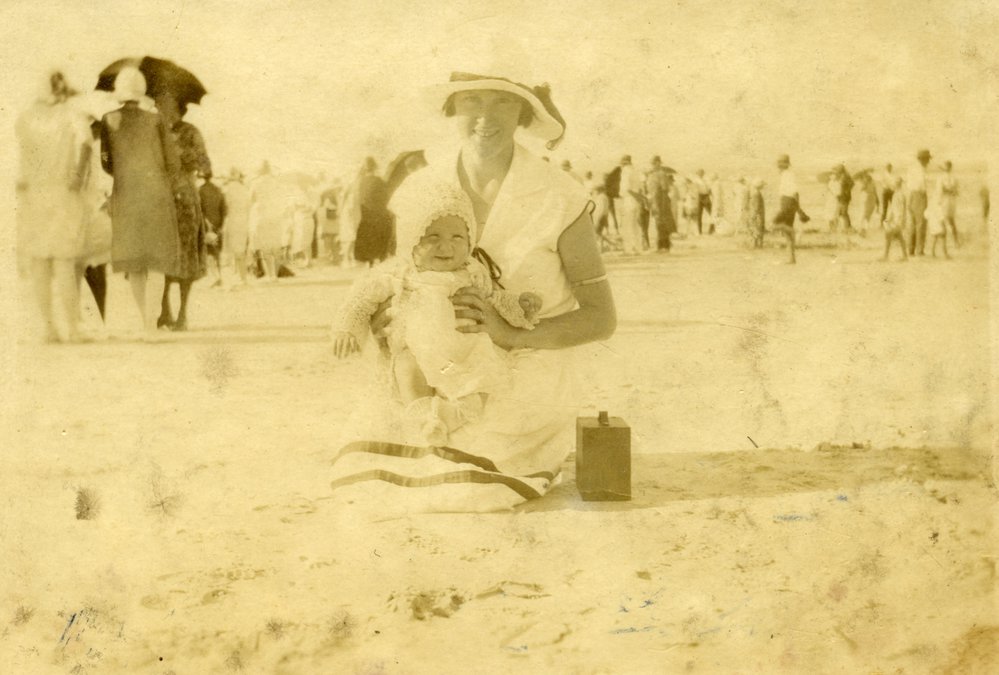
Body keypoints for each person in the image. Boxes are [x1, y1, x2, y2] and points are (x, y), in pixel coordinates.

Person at [330, 65, 616, 510]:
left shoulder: (560, 195)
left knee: (468, 484)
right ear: (452, 107)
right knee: (372, 473)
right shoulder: (421, 187)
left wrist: (514, 334)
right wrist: (384, 321)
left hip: (523, 370)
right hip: (429, 367)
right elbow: (400, 277)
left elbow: (601, 317)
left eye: (503, 100)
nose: (487, 114)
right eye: (472, 100)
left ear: (524, 111)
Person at [332, 181, 541, 445]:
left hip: (463, 348)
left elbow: (495, 298)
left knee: (484, 374)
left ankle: (453, 416)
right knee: (406, 369)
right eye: (433, 238)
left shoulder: (472, 271)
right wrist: (347, 328)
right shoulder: (400, 272)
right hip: (416, 347)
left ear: (469, 241)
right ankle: (425, 422)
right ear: (412, 241)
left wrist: (520, 307)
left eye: (457, 238)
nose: (446, 247)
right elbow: (361, 299)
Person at [99, 67, 182, 337]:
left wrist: (125, 172)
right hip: (157, 195)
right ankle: (151, 325)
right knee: (156, 262)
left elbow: (106, 163)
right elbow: (172, 162)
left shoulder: (108, 119)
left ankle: (145, 325)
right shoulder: (156, 120)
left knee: (134, 263)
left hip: (126, 196)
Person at [15, 71, 93, 343]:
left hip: (35, 195)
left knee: (40, 263)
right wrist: (78, 177)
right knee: (63, 262)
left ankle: (50, 328)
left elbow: (21, 156)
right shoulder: (72, 114)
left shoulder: (26, 117)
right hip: (62, 193)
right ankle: (72, 328)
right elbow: (86, 145)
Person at [156, 92, 212, 330]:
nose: (157, 107)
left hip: (186, 199)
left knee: (187, 254)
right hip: (161, 198)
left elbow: (205, 164)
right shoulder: (155, 132)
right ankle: (164, 311)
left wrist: (180, 157)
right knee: (164, 255)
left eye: (162, 103)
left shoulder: (191, 132)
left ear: (175, 105)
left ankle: (182, 313)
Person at [352, 157, 394, 265]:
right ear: (375, 167)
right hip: (378, 214)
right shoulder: (378, 180)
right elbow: (386, 197)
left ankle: (370, 261)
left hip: (365, 216)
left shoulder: (361, 181)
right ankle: (381, 259)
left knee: (368, 237)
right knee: (386, 230)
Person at [222, 168, 251, 286]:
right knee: (241, 249)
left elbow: (225, 206)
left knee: (234, 250)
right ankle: (241, 276)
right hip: (244, 220)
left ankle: (241, 277)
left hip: (232, 220)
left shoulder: (227, 189)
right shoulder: (244, 189)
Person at [772, 153, 803, 263]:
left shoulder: (788, 175)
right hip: (786, 202)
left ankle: (795, 231)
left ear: (786, 164)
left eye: (781, 163)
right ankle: (791, 258)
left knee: (775, 224)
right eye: (779, 163)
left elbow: (795, 192)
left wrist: (798, 208)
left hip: (788, 203)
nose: (779, 165)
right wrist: (799, 210)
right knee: (786, 233)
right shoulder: (785, 174)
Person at [199, 170, 227, 287]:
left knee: (209, 252)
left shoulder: (200, 190)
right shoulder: (218, 190)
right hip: (218, 224)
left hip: (206, 225)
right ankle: (219, 276)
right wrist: (221, 225)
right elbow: (224, 209)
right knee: (217, 252)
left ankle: (215, 277)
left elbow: (199, 210)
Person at [615, 154, 645, 254]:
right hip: (636, 200)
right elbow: (640, 188)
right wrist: (639, 198)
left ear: (623, 163)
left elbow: (626, 189)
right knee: (636, 225)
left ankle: (629, 249)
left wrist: (634, 196)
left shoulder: (625, 171)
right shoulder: (635, 171)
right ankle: (638, 248)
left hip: (629, 199)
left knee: (627, 225)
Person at [644, 155, 675, 251]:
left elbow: (665, 189)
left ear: (659, 163)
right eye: (652, 163)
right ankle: (662, 245)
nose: (653, 165)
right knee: (658, 222)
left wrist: (661, 203)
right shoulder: (651, 175)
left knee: (662, 222)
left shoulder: (661, 174)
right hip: (654, 200)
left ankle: (664, 245)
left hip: (661, 200)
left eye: (655, 163)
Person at [907, 148, 932, 255]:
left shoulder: (912, 168)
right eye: (927, 160)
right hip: (919, 196)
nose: (928, 162)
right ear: (923, 159)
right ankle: (919, 249)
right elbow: (922, 187)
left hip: (911, 195)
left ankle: (911, 249)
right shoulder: (921, 170)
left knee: (913, 223)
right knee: (921, 223)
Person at [881, 176, 908, 262]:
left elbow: (901, 208)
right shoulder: (897, 194)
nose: (894, 185)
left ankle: (886, 256)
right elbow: (894, 208)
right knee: (899, 237)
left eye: (895, 184)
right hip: (897, 219)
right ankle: (904, 256)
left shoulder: (899, 195)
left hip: (898, 219)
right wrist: (889, 219)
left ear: (897, 185)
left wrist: (900, 219)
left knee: (889, 235)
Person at [938, 160, 959, 246]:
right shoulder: (941, 177)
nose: (947, 168)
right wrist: (949, 190)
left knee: (951, 221)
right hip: (943, 201)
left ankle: (955, 241)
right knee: (942, 221)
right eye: (946, 166)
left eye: (949, 166)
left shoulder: (954, 177)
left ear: (951, 167)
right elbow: (940, 190)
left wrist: (950, 190)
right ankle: (943, 243)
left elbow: (956, 190)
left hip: (951, 201)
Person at [748, 178, 766, 248]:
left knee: (756, 229)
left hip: (756, 214)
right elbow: (756, 206)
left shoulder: (755, 193)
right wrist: (754, 214)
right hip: (758, 215)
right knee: (757, 228)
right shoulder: (757, 194)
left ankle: (756, 244)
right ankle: (757, 245)